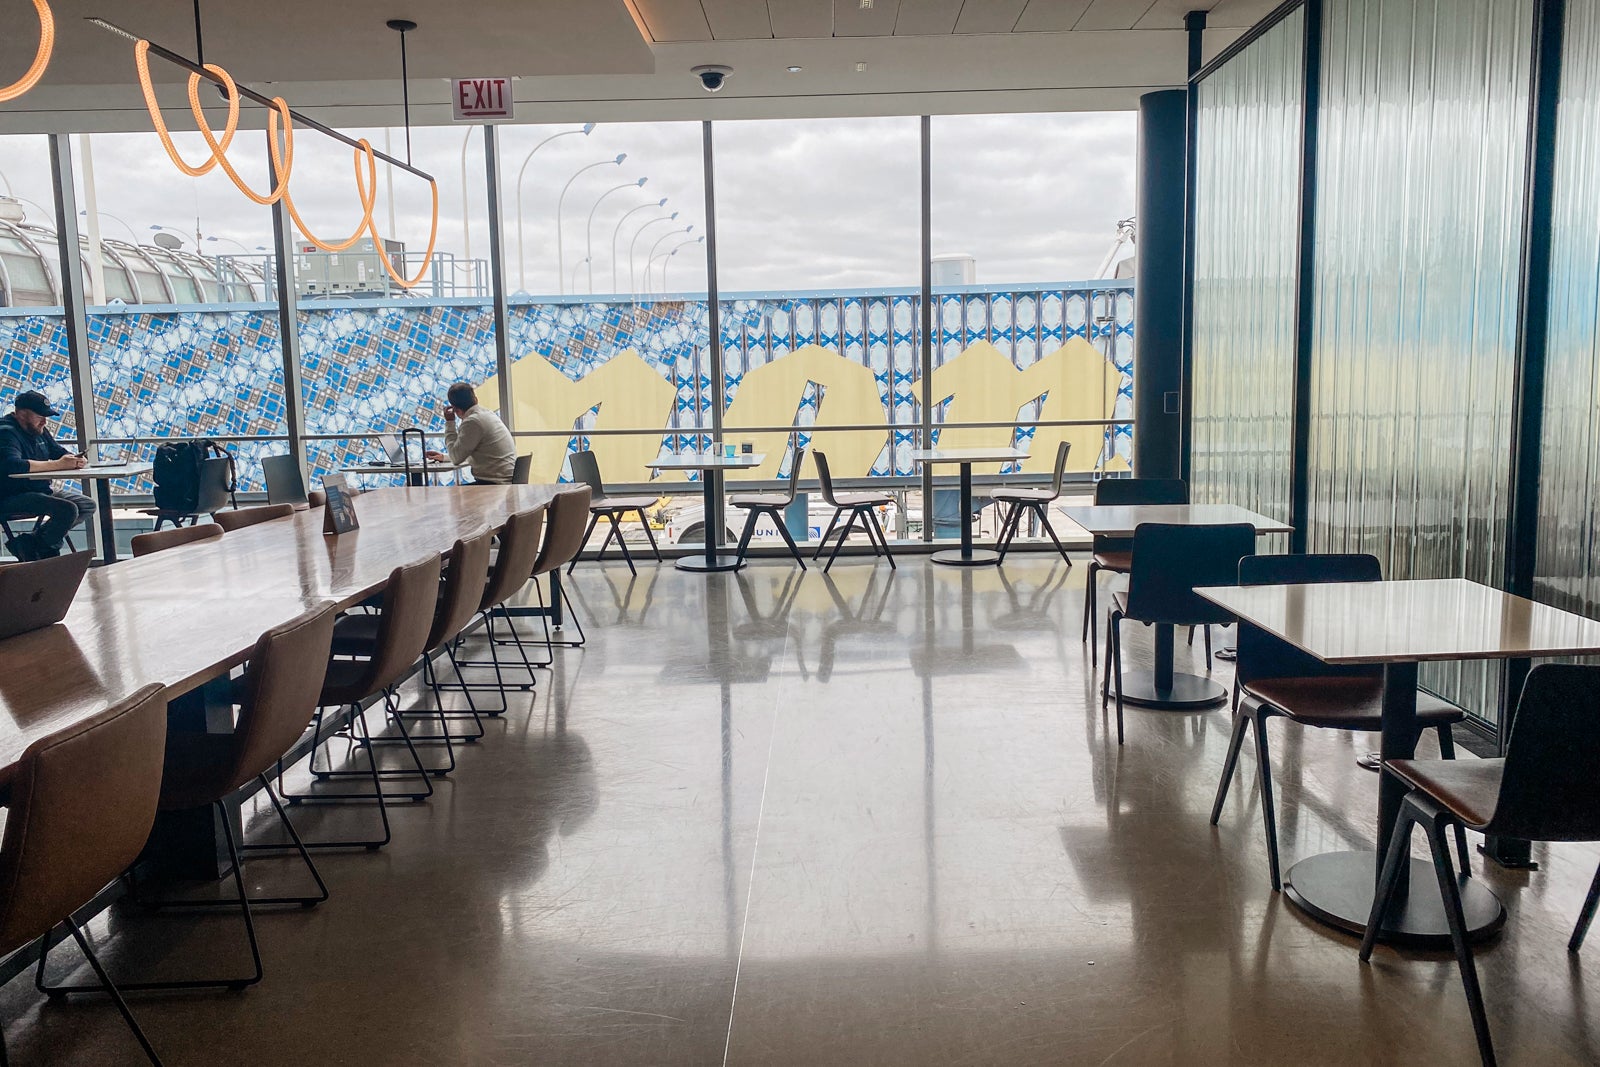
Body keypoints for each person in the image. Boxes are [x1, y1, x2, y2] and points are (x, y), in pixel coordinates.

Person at [0, 391, 97, 561]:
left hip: (40, 492)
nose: (45, 421)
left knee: (87, 505)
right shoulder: (6, 432)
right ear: (22, 414)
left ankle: (33, 543)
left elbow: (58, 452)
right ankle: (46, 552)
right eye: (40, 416)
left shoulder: (38, 429)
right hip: (12, 496)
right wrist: (59, 465)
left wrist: (76, 460)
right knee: (67, 509)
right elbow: (12, 465)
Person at [425, 381, 517, 485]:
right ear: (475, 399)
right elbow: (466, 452)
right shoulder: (487, 414)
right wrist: (444, 457)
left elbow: (456, 459)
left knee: (450, 496)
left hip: (494, 484)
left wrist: (450, 423)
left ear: (455, 410)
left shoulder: (473, 422)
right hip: (505, 480)